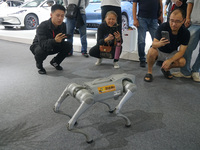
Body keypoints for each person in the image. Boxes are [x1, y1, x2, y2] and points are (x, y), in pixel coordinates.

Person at [144, 9, 190, 82]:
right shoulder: (163, 26)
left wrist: (170, 60)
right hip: (160, 51)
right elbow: (153, 44)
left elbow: (181, 52)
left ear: (183, 21)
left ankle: (166, 69)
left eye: (177, 21)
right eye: (171, 21)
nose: (174, 24)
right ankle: (149, 72)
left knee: (182, 62)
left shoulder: (185, 33)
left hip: (171, 52)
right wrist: (160, 43)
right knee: (151, 51)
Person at [30, 4, 72, 75]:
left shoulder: (63, 25)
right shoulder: (42, 26)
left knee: (68, 45)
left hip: (54, 44)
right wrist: (54, 40)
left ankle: (55, 62)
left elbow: (62, 41)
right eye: (57, 15)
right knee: (40, 51)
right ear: (51, 15)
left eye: (62, 16)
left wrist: (65, 37)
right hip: (40, 46)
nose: (60, 18)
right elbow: (43, 44)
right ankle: (39, 65)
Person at [172, 0, 200, 82]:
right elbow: (190, 2)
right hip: (195, 22)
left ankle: (196, 71)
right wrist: (187, 17)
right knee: (187, 47)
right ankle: (185, 72)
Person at [133, 0, 163, 68]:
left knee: (157, 40)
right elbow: (134, 5)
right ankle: (142, 59)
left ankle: (159, 58)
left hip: (154, 18)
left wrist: (161, 15)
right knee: (141, 40)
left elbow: (160, 2)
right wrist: (135, 19)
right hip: (142, 18)